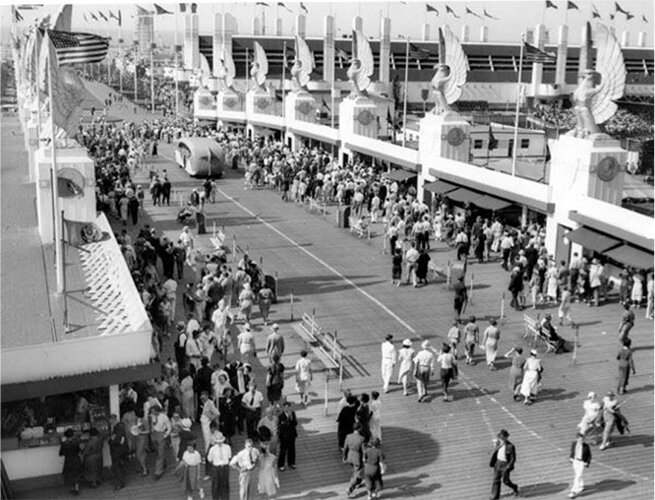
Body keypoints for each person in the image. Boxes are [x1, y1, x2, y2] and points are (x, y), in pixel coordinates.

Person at [489, 429, 519, 500]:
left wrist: (508, 467)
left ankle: (514, 487)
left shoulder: (510, 446)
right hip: (498, 463)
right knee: (496, 479)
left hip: (505, 465)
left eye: (503, 438)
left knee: (506, 481)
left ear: (506, 438)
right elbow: (495, 452)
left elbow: (513, 458)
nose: (501, 440)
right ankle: (495, 496)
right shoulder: (498, 443)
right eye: (500, 438)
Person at [206, 432, 232, 500]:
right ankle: (216, 498)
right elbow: (209, 459)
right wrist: (216, 464)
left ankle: (225, 498)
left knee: (225, 484)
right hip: (216, 467)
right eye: (218, 442)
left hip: (225, 467)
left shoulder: (227, 447)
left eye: (221, 441)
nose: (220, 443)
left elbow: (229, 457)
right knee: (215, 484)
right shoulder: (212, 449)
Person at [343, 424, 366, 498]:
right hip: (357, 458)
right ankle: (350, 488)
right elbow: (363, 451)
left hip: (350, 457)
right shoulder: (361, 438)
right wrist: (364, 458)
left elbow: (345, 447)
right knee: (358, 474)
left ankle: (357, 482)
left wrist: (344, 457)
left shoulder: (348, 436)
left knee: (355, 471)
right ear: (359, 429)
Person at [107, 414, 128, 491]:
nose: (109, 421)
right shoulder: (118, 427)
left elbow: (116, 440)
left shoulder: (118, 428)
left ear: (112, 419)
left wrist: (110, 441)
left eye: (109, 419)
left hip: (117, 451)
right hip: (118, 450)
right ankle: (121, 481)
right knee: (118, 466)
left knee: (116, 467)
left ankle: (120, 483)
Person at [150, 405, 172, 479]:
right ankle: (163, 462)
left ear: (157, 411)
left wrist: (165, 435)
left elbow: (169, 427)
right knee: (158, 452)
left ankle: (158, 472)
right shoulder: (152, 416)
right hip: (153, 435)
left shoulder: (164, 417)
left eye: (154, 411)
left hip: (160, 434)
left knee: (160, 454)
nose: (153, 413)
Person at [59, 428, 83, 496]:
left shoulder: (64, 444)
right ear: (73, 435)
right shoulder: (76, 442)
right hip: (76, 459)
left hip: (69, 460)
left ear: (66, 436)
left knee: (70, 474)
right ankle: (77, 488)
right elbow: (78, 450)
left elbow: (60, 454)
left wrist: (62, 443)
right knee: (76, 474)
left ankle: (74, 488)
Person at [568, 433, 592, 499]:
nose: (582, 441)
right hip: (575, 461)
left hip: (581, 462)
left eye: (583, 439)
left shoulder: (586, 446)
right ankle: (581, 486)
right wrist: (571, 457)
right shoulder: (574, 444)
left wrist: (587, 462)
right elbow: (572, 451)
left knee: (578, 476)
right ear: (577, 439)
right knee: (578, 474)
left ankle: (573, 491)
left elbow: (589, 455)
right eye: (580, 440)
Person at [278, 401, 298, 470]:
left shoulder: (292, 414)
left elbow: (295, 424)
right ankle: (281, 465)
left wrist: (291, 418)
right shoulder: (281, 416)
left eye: (288, 407)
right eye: (285, 407)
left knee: (292, 449)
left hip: (292, 435)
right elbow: (281, 426)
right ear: (283, 408)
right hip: (284, 436)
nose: (286, 409)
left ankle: (291, 463)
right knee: (283, 450)